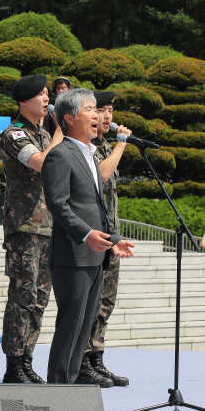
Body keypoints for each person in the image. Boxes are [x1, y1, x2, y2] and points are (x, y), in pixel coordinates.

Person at [42, 88, 135, 384]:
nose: (97, 115)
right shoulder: (60, 154)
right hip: (72, 255)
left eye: (97, 110)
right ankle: (59, 391)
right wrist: (86, 234)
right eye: (89, 110)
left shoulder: (91, 155)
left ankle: (70, 388)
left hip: (95, 255)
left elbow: (96, 207)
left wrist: (114, 238)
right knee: (71, 325)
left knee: (84, 327)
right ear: (69, 118)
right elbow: (58, 204)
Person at [0, 74, 63, 384]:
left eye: (48, 93)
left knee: (39, 298)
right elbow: (41, 163)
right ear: (24, 101)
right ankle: (13, 366)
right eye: (42, 94)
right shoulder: (13, 134)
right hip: (24, 227)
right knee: (22, 297)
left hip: (49, 226)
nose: (47, 99)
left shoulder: (45, 134)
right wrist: (61, 132)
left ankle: (27, 360)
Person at [77, 90, 133, 386]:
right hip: (92, 236)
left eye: (110, 110)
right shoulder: (86, 147)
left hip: (111, 233)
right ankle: (83, 361)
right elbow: (101, 176)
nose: (107, 116)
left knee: (106, 301)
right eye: (100, 110)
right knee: (90, 300)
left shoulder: (106, 145)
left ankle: (97, 358)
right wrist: (121, 146)